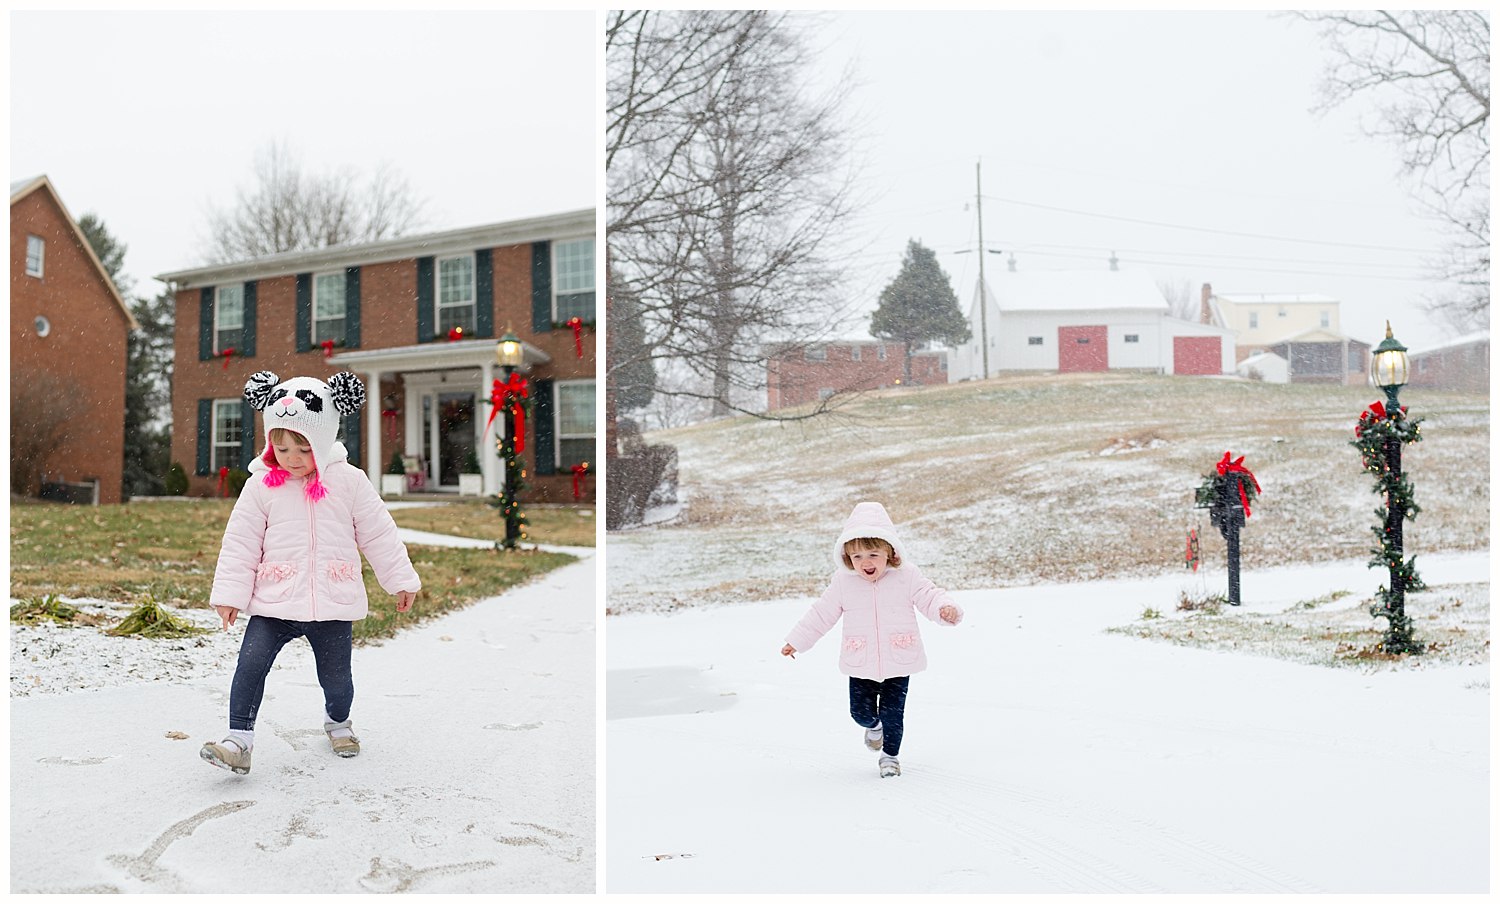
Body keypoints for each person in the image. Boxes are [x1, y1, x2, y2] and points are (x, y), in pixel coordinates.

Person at [200, 370, 421, 776]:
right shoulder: (262, 485)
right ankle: (238, 741)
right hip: (275, 598)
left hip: (332, 602)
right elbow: (241, 541)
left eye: (302, 447)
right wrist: (230, 594)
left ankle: (338, 722)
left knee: (336, 678)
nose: (291, 458)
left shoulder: (350, 482)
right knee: (250, 664)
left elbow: (378, 533)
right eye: (281, 447)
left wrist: (400, 580)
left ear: (323, 439)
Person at [781, 501, 963, 778]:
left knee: (894, 714)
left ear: (890, 552)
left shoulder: (907, 576)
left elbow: (930, 595)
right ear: (847, 558)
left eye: (873, 554)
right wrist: (797, 640)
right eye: (857, 557)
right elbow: (821, 613)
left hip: (899, 659)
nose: (865, 563)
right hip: (861, 660)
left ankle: (890, 756)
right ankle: (873, 725)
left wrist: (944, 609)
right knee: (860, 713)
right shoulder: (843, 582)